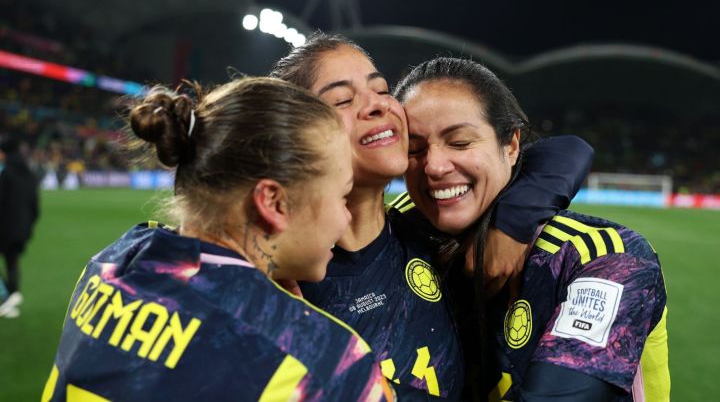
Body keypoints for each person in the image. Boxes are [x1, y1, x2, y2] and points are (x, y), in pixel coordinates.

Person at [270, 33, 594, 398]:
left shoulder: (428, 228)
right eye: (343, 99)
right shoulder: (279, 281)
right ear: (295, 138)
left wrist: (514, 219)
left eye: (381, 89)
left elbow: (563, 149)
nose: (376, 105)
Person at [42, 77, 396, 401]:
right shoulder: (324, 363)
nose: (346, 216)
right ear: (273, 202)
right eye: (342, 196)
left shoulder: (109, 263)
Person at [393, 57, 669, 401]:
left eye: (460, 142)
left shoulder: (601, 256)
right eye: (414, 149)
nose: (433, 166)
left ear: (510, 145)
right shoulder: (394, 229)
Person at [0, 135, 40, 318]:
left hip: (5, 226)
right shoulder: (29, 173)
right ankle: (13, 293)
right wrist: (29, 226)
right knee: (12, 259)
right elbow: (35, 206)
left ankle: (6, 296)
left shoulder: (5, 172)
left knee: (10, 259)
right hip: (23, 227)